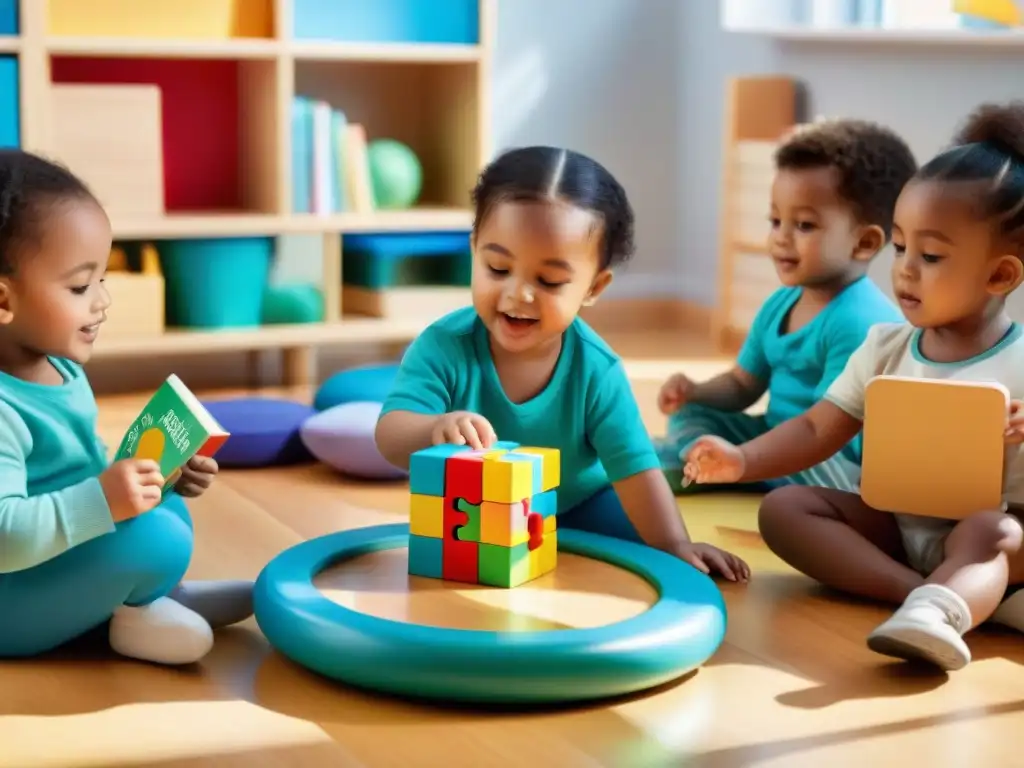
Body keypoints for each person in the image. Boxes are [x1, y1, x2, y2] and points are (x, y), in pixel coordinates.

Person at [682, 102, 1024, 671]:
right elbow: (818, 426)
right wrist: (742, 459)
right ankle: (927, 598)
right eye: (900, 246)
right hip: (898, 526)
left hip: (997, 537)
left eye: (931, 255)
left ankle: (954, 599)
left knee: (993, 529)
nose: (905, 269)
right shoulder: (884, 347)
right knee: (786, 508)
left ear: (1000, 275)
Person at [375, 146, 750, 582]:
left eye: (549, 281)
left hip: (580, 505)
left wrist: (675, 546)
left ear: (594, 286)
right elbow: (389, 434)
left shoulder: (597, 369)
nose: (518, 294)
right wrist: (432, 428)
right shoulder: (444, 345)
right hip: (473, 513)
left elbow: (635, 469)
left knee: (649, 553)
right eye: (497, 268)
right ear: (474, 250)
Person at [0, 149, 253, 665]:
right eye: (79, 286)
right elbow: (6, 537)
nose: (102, 301)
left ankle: (137, 601)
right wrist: (103, 499)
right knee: (156, 537)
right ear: (3, 302)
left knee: (164, 505)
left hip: (49, 563)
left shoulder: (62, 369)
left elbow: (83, 470)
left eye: (103, 280)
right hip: (11, 603)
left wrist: (161, 477)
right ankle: (129, 616)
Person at [655, 119, 915, 494]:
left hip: (829, 458)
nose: (780, 238)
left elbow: (824, 431)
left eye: (804, 225)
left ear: (864, 243)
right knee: (692, 415)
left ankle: (727, 466)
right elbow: (742, 384)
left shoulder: (861, 323)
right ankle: (723, 462)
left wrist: (753, 455)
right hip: (775, 436)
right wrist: (696, 392)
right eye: (776, 220)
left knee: (818, 470)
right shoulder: (781, 303)